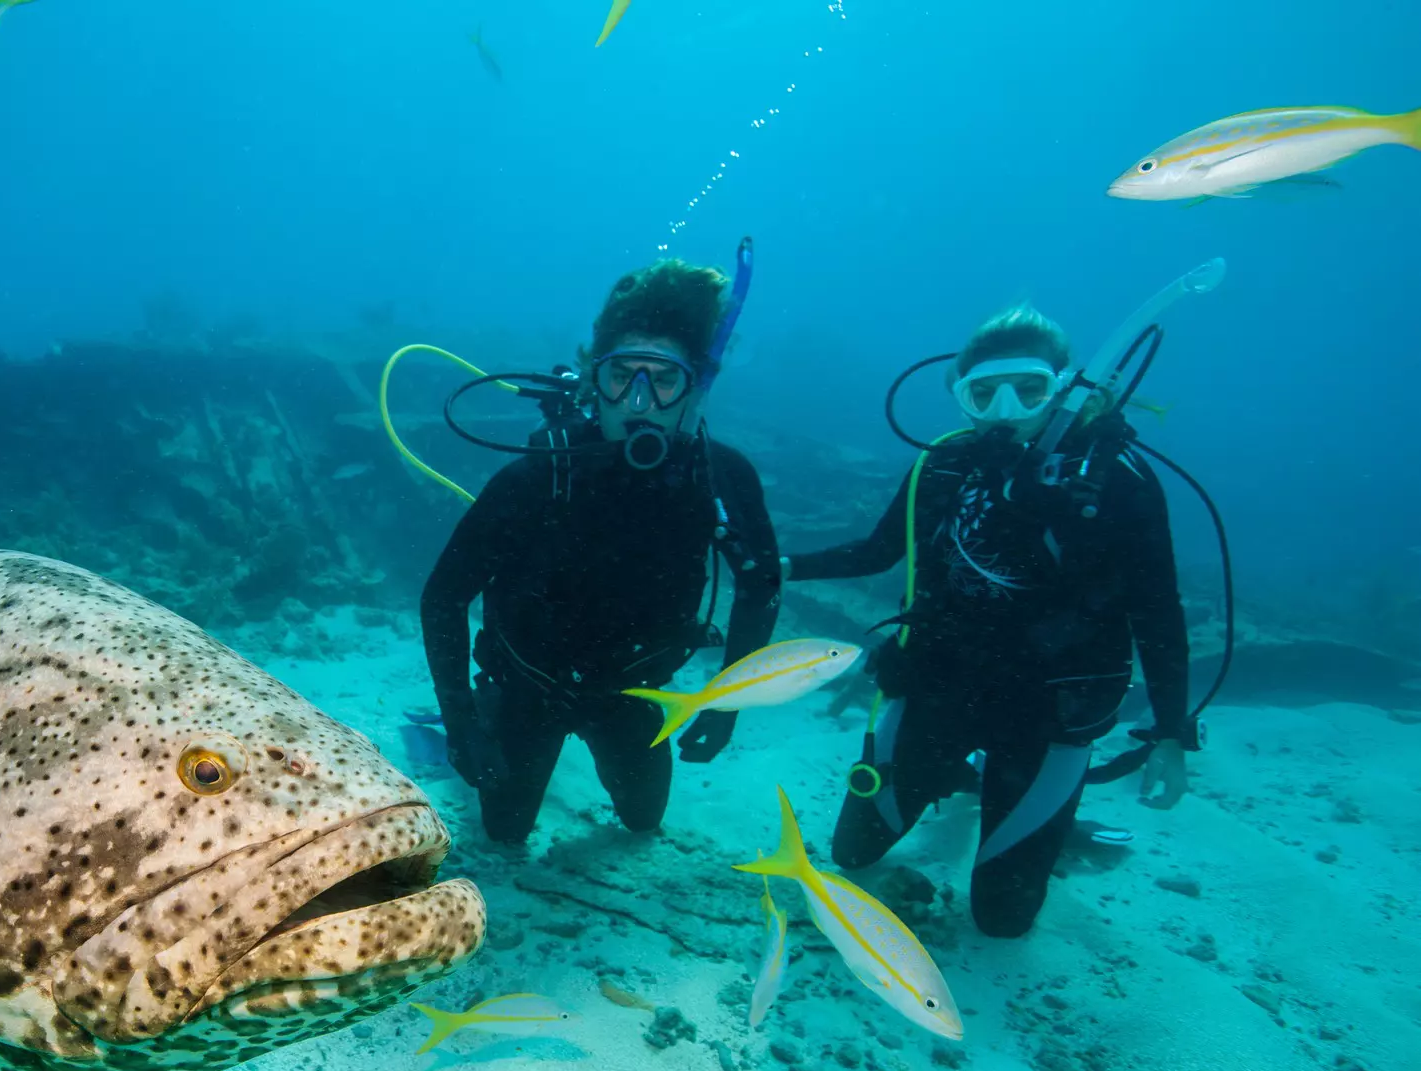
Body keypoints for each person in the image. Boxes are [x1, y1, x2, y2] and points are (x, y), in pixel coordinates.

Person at [785, 306, 1196, 937]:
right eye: (984, 392)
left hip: (1050, 716)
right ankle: (982, 787)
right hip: (937, 687)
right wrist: (778, 565)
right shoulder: (946, 463)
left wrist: (1171, 731)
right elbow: (878, 551)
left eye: (1029, 389)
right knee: (850, 854)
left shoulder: (1116, 480)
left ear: (1066, 386)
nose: (1006, 408)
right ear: (962, 398)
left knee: (1003, 919)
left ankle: (1033, 808)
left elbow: (1158, 607)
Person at [420, 260, 780, 844]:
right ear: (595, 384)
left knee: (643, 821)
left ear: (694, 388)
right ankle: (489, 715)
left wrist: (725, 705)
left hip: (632, 693)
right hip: (527, 686)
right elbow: (443, 597)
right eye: (621, 376)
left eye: (662, 379)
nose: (639, 400)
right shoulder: (537, 476)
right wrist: (461, 723)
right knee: (504, 832)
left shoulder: (721, 475)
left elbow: (761, 586)